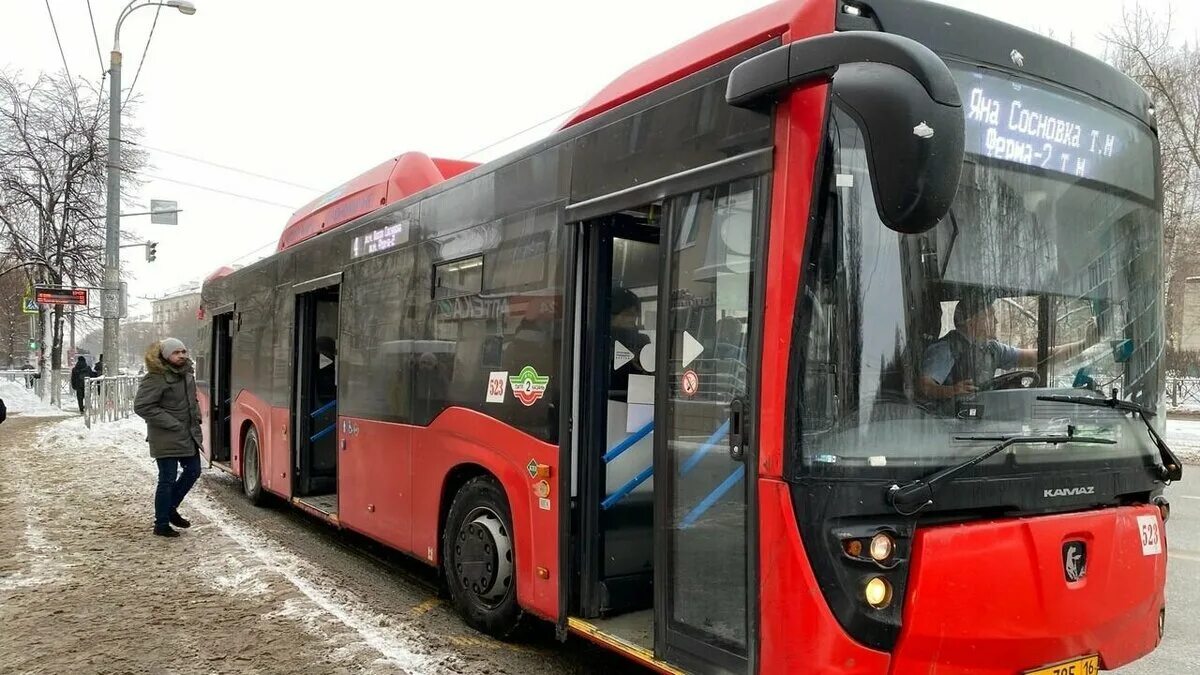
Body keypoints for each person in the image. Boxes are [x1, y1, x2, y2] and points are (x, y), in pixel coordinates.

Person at [920, 295, 1097, 402]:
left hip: (980, 420)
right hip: (949, 427)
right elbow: (924, 386)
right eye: (989, 315)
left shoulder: (992, 349)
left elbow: (1037, 357)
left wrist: (1084, 344)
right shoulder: (945, 349)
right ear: (970, 321)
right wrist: (951, 391)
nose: (996, 321)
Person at [133, 338, 203, 538]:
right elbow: (142, 406)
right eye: (176, 352)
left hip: (186, 434)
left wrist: (196, 415)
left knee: (194, 471)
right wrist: (172, 423)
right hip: (165, 436)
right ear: (165, 355)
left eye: (183, 351)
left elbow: (192, 400)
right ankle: (161, 523)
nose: (181, 355)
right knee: (167, 479)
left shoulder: (187, 375)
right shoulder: (156, 377)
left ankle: (169, 508)